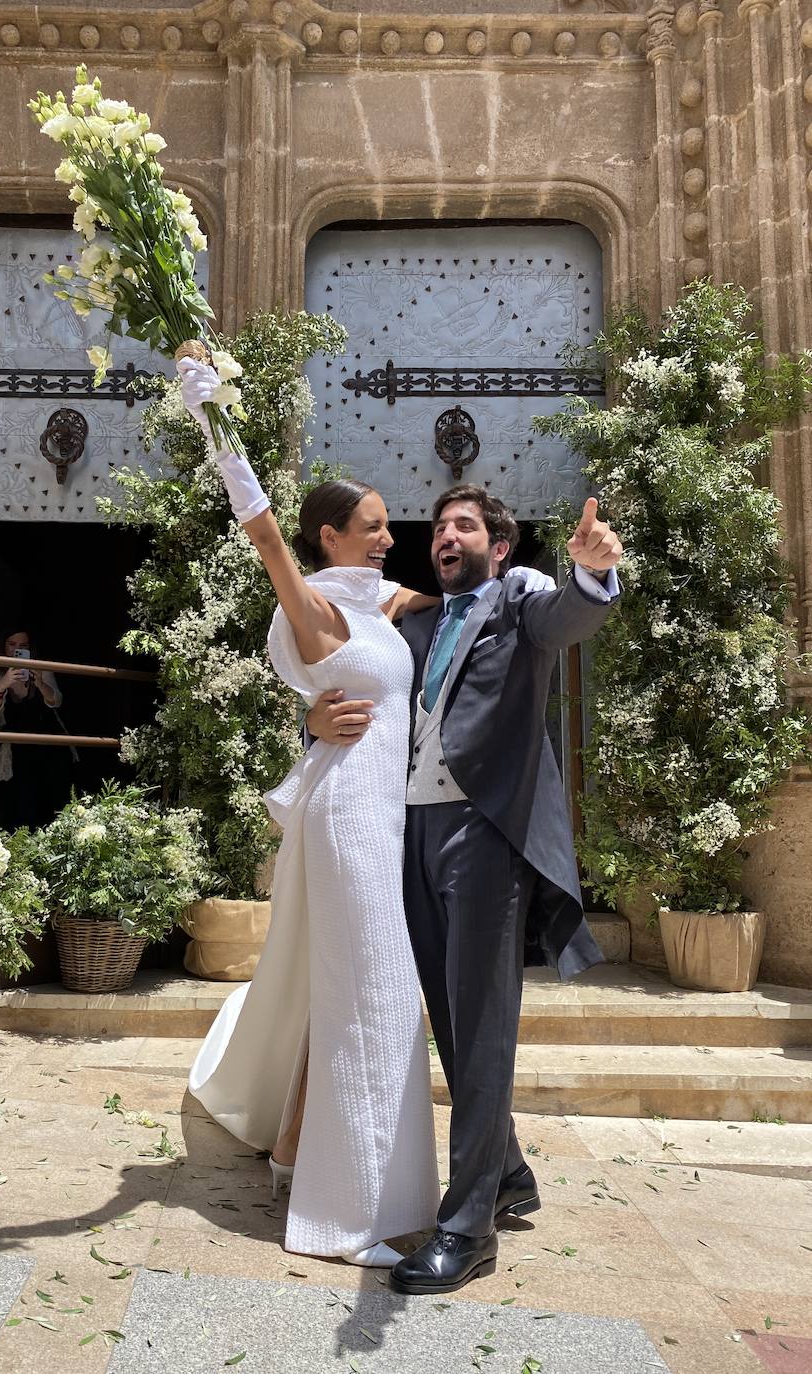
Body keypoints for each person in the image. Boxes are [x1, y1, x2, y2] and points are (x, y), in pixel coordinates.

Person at [176, 357, 553, 1268]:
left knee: (377, 1001)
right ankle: (348, 1216)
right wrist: (213, 418)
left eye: (393, 525)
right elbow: (261, 528)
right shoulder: (308, 602)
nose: (397, 537)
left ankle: (418, 1165)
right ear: (329, 535)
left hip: (406, 821)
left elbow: (473, 605)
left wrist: (542, 584)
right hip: (350, 816)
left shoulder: (387, 606)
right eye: (375, 526)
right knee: (376, 1007)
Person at [307, 483, 622, 1295]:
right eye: (439, 526)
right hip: (409, 829)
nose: (445, 535)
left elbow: (569, 620)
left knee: (481, 1024)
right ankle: (508, 1171)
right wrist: (311, 719)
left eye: (465, 526)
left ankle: (467, 1225)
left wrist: (588, 574)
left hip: (484, 833)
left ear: (499, 546)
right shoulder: (410, 617)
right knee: (449, 1018)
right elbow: (343, 667)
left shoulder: (522, 599)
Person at [0, 628, 69, 829]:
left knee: (50, 799)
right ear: (3, 647)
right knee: (18, 802)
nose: (17, 650)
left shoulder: (41, 669)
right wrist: (3, 685)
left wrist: (40, 684)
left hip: (47, 744)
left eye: (23, 647)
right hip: (15, 749)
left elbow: (56, 700)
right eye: (12, 645)